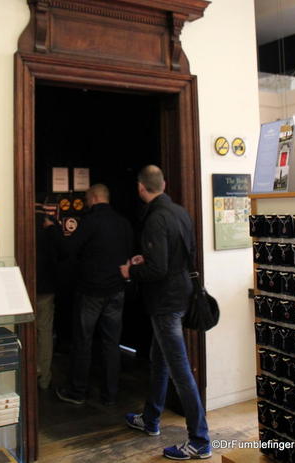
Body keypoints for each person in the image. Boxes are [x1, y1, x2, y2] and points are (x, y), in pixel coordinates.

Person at [120, 165, 211, 461]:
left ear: (140, 188)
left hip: (165, 302)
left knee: (179, 368)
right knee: (159, 360)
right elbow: (182, 255)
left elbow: (157, 269)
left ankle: (200, 440)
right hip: (182, 294)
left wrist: (131, 269)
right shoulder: (181, 212)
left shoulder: (155, 219)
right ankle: (151, 419)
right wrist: (145, 259)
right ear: (164, 184)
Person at [56, 183, 133, 406]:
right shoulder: (124, 223)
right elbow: (129, 255)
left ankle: (77, 391)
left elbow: (69, 249)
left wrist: (52, 229)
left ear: (93, 198)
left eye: (88, 199)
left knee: (83, 341)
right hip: (117, 290)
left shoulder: (89, 222)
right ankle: (110, 394)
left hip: (91, 291)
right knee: (112, 343)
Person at [35, 208, 63, 390]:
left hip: (26, 285)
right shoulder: (51, 229)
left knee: (25, 330)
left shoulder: (22, 221)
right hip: (47, 287)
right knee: (44, 331)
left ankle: (27, 374)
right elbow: (63, 252)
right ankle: (44, 377)